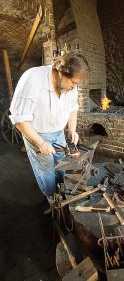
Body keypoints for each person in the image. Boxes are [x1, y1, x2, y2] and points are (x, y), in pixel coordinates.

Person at [9, 52, 90, 198]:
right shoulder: (33, 79)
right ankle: (53, 199)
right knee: (46, 170)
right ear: (61, 72)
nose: (74, 88)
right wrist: (40, 143)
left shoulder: (72, 85)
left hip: (58, 132)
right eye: (73, 83)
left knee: (62, 163)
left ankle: (63, 191)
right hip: (36, 134)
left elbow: (73, 108)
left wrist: (72, 130)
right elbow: (20, 119)